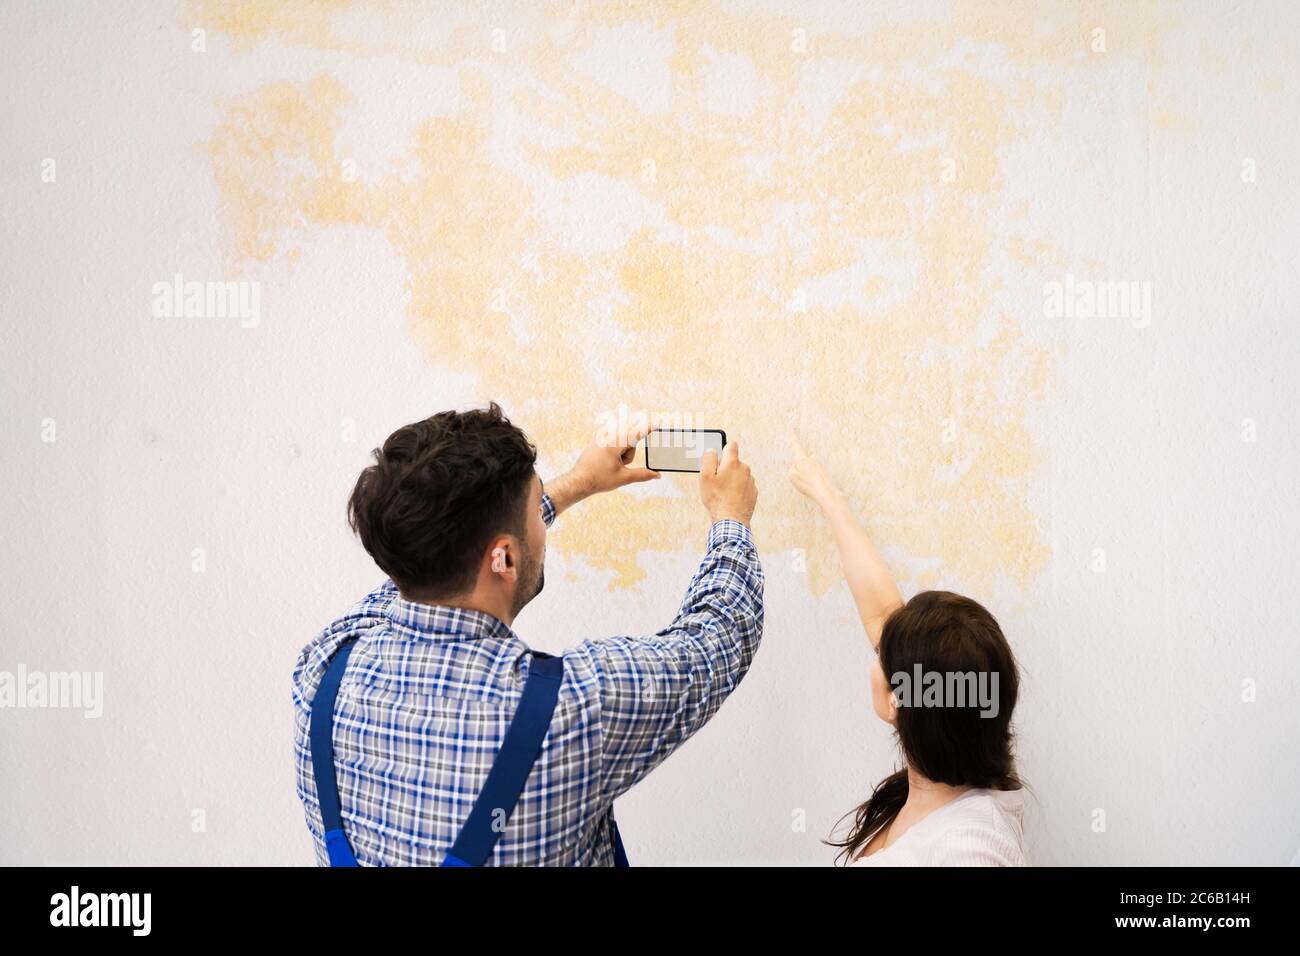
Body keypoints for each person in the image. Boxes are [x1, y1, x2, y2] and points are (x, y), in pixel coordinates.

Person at [292, 403, 762, 865]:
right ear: (506, 559)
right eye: (534, 512)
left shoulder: (322, 670)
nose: (542, 521)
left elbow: (419, 555)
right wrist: (730, 518)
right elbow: (719, 637)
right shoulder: (576, 711)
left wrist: (577, 484)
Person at [787, 432, 1027, 866]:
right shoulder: (956, 764)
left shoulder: (971, 850)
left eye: (884, 654)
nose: (876, 647)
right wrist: (828, 498)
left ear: (902, 700)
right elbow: (883, 614)